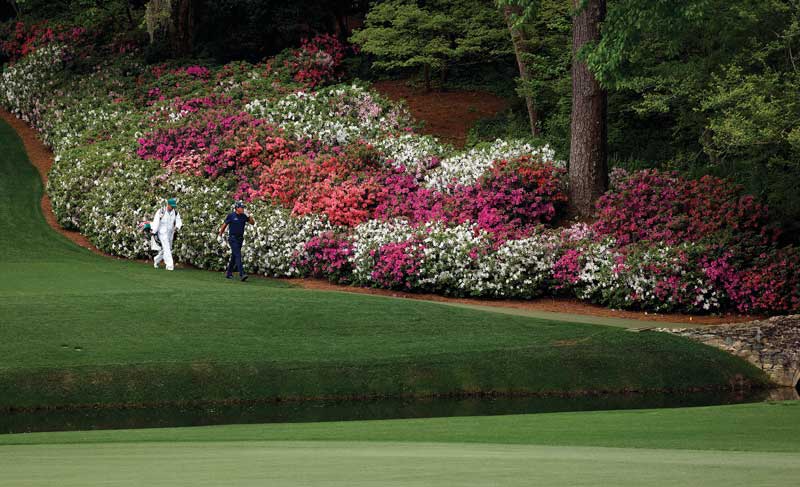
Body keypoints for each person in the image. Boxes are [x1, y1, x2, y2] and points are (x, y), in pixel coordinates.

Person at [219, 200, 254, 281]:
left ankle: (228, 273)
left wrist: (249, 216)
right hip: (232, 238)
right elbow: (224, 225)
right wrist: (220, 234)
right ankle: (242, 274)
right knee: (238, 255)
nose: (242, 209)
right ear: (236, 208)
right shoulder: (231, 215)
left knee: (234, 256)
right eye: (241, 207)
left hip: (240, 238)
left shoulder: (244, 216)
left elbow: (252, 223)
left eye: (243, 207)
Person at [151, 198, 183, 271]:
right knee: (167, 248)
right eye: (172, 206)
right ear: (168, 205)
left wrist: (177, 227)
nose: (173, 208)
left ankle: (156, 260)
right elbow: (156, 221)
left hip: (170, 233)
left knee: (167, 249)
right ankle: (169, 266)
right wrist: (154, 231)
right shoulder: (161, 211)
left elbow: (179, 221)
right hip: (162, 233)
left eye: (174, 206)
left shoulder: (175, 212)